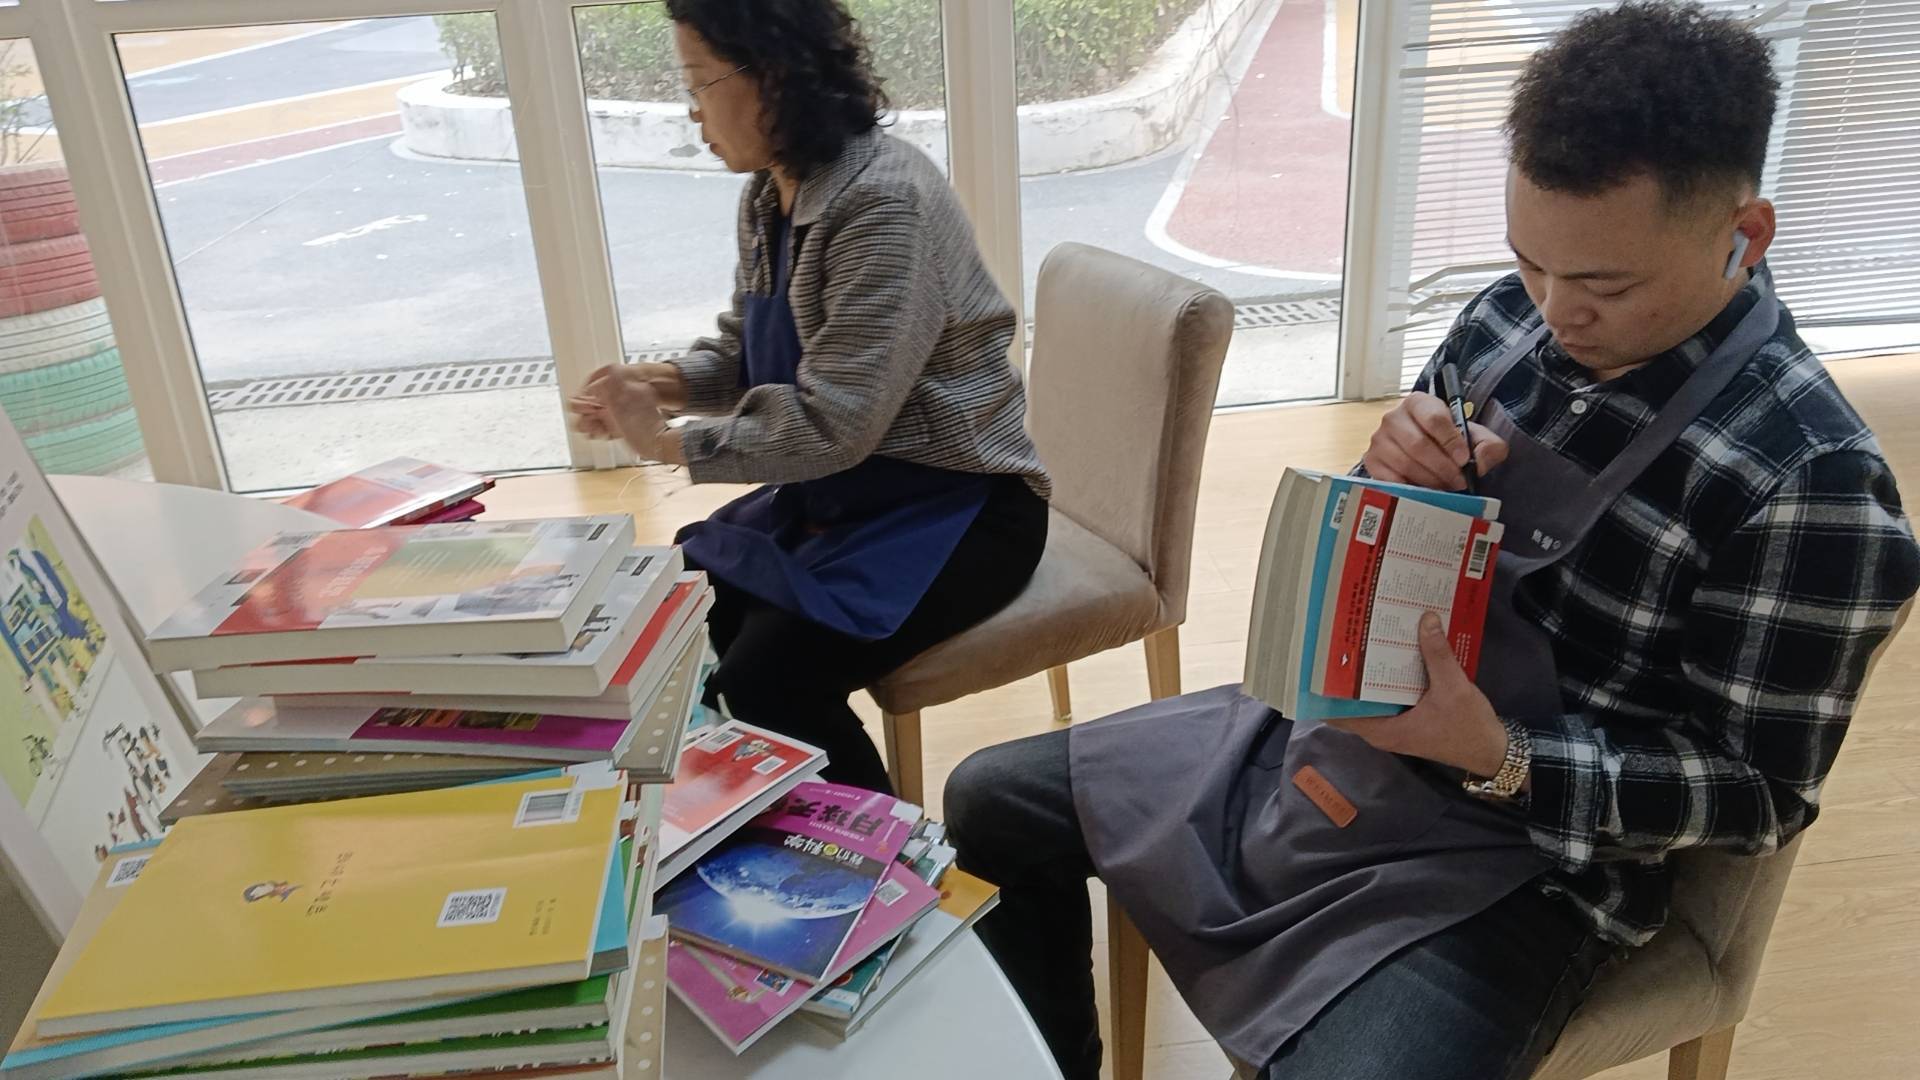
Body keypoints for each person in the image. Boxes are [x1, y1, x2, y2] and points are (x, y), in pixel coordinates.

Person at [943, 4, 1920, 1078]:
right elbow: (1381, 543)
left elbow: (1757, 796)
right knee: (990, 800)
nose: (1556, 313)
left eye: (1607, 285)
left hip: (1529, 861)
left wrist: (1500, 754)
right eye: (1532, 262)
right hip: (1344, 740)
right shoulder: (1506, 320)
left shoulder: (1811, 486)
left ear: (1747, 233)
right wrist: (1388, 476)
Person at [571, 0, 1050, 795]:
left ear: (772, 76)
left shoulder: (881, 204)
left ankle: (887, 862)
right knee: (682, 601)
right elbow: (748, 351)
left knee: (769, 678)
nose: (692, 111)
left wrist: (661, 440)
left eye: (698, 82)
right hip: (848, 497)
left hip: (960, 509)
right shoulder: (773, 192)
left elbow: (835, 424)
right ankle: (750, 827)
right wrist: (654, 384)